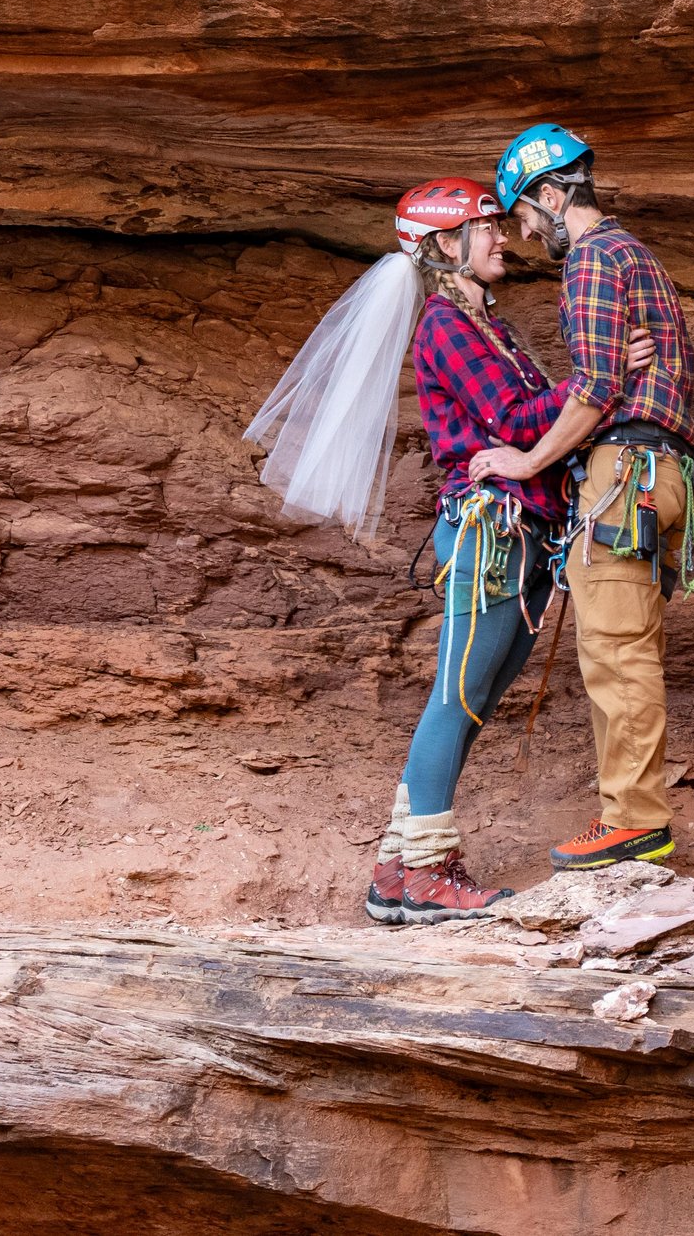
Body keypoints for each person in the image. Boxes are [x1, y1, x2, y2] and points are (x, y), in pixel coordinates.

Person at [243, 179, 654, 925]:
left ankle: (398, 871)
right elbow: (517, 416)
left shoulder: (482, 323)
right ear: (443, 245)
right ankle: (427, 872)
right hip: (488, 533)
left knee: (471, 701)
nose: (502, 237)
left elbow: (529, 421)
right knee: (457, 699)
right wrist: (601, 375)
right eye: (484, 228)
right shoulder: (445, 326)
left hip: (515, 533)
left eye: (498, 225)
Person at [468, 124, 694, 873]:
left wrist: (527, 457)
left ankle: (634, 822)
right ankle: (633, 817)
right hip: (655, 472)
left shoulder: (596, 258)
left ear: (549, 193)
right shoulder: (636, 257)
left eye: (526, 215)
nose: (527, 234)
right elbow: (639, 372)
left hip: (625, 474)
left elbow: (598, 388)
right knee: (628, 639)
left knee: (614, 647)